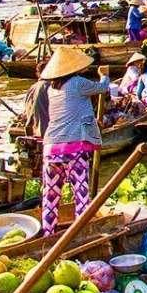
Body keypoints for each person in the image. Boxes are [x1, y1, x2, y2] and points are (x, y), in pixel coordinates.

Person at [40, 48, 110, 236]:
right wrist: (104, 75)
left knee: (51, 195)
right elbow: (102, 88)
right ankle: (81, 232)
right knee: (81, 194)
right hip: (73, 149)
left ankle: (48, 233)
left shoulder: (51, 89)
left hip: (50, 148)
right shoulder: (78, 83)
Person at [22, 60, 50, 137]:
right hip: (47, 132)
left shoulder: (32, 87)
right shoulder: (52, 87)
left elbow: (27, 110)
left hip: (34, 130)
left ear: (38, 74)